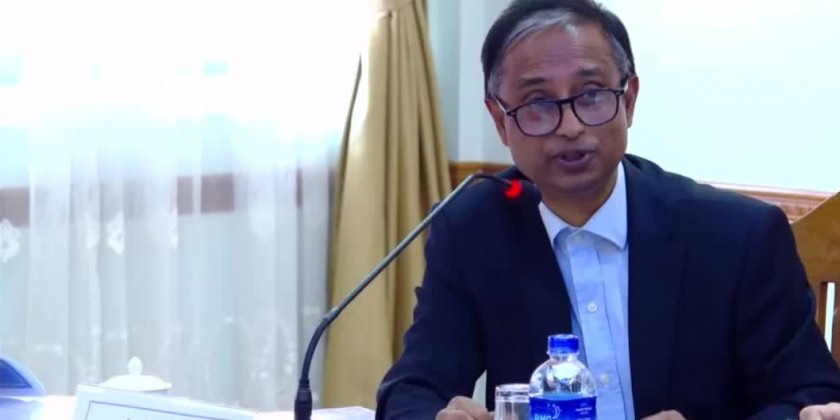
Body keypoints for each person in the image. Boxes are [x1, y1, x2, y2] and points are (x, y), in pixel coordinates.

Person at [375, 0, 840, 418]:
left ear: (629, 100)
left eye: (592, 95)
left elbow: (809, 397)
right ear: (500, 121)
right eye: (538, 102)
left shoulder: (737, 236)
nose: (570, 126)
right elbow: (411, 391)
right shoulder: (472, 229)